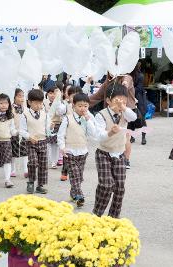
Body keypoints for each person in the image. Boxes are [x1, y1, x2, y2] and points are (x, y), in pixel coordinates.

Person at [93, 83, 137, 218]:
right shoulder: (101, 115)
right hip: (103, 153)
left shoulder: (125, 113)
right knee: (106, 185)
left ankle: (113, 217)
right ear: (108, 101)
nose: (120, 103)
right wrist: (110, 133)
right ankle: (97, 214)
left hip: (119, 153)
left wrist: (124, 107)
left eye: (124, 100)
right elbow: (99, 136)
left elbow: (134, 117)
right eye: (117, 100)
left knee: (119, 187)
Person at [57, 93, 96, 208]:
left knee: (79, 176)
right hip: (70, 152)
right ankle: (79, 196)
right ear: (73, 105)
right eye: (80, 106)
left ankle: (73, 193)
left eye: (85, 106)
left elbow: (93, 135)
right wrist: (62, 147)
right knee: (74, 175)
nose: (82, 108)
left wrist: (88, 120)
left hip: (83, 152)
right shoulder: (67, 119)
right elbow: (60, 135)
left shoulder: (88, 117)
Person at [90, 74, 136, 169]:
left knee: (125, 137)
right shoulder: (107, 83)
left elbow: (128, 79)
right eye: (109, 72)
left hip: (126, 111)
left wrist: (125, 84)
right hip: (109, 113)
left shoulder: (125, 77)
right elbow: (96, 96)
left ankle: (126, 160)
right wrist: (83, 102)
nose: (111, 73)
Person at [20, 89, 51, 194]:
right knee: (33, 162)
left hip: (43, 141)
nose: (39, 105)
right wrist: (29, 136)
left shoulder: (44, 114)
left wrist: (50, 129)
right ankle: (31, 182)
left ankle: (40, 185)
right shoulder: (24, 114)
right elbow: (22, 130)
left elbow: (47, 128)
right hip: (31, 142)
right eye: (36, 103)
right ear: (29, 102)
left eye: (40, 103)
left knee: (43, 164)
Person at [57, 85, 83, 181]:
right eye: (72, 96)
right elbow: (59, 111)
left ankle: (76, 169)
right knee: (67, 152)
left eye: (77, 95)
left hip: (79, 133)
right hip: (68, 132)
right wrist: (59, 101)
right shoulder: (66, 106)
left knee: (78, 152)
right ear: (68, 96)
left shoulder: (83, 107)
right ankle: (64, 171)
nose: (74, 98)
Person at [10, 88, 29, 178]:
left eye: (23, 96)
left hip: (23, 133)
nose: (21, 98)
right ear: (14, 97)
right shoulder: (10, 108)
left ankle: (26, 170)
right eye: (19, 96)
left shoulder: (25, 108)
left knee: (25, 152)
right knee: (13, 153)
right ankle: (12, 170)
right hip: (13, 133)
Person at [44, 85, 63, 169]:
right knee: (48, 145)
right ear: (47, 94)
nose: (52, 95)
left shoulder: (60, 103)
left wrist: (57, 102)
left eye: (54, 93)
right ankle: (49, 160)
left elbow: (60, 113)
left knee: (55, 145)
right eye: (50, 93)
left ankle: (54, 162)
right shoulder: (44, 103)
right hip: (47, 125)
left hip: (57, 125)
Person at [130, 61, 148, 145]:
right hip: (131, 99)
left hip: (140, 99)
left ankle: (143, 138)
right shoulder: (129, 76)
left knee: (142, 119)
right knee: (131, 119)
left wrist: (129, 89)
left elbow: (139, 88)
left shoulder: (140, 76)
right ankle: (132, 137)